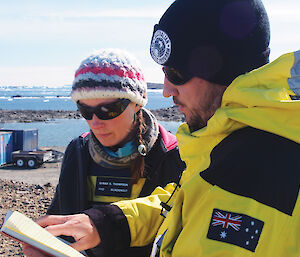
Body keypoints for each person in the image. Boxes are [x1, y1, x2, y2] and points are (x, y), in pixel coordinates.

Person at [24, 0, 300, 256]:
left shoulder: (276, 165)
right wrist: (106, 223)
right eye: (85, 110)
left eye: (175, 74)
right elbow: (184, 202)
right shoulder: (221, 147)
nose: (166, 91)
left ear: (222, 71)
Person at [23, 48, 185, 257]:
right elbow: (61, 217)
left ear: (137, 102)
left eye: (108, 110)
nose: (95, 123)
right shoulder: (78, 150)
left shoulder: (173, 154)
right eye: (86, 111)